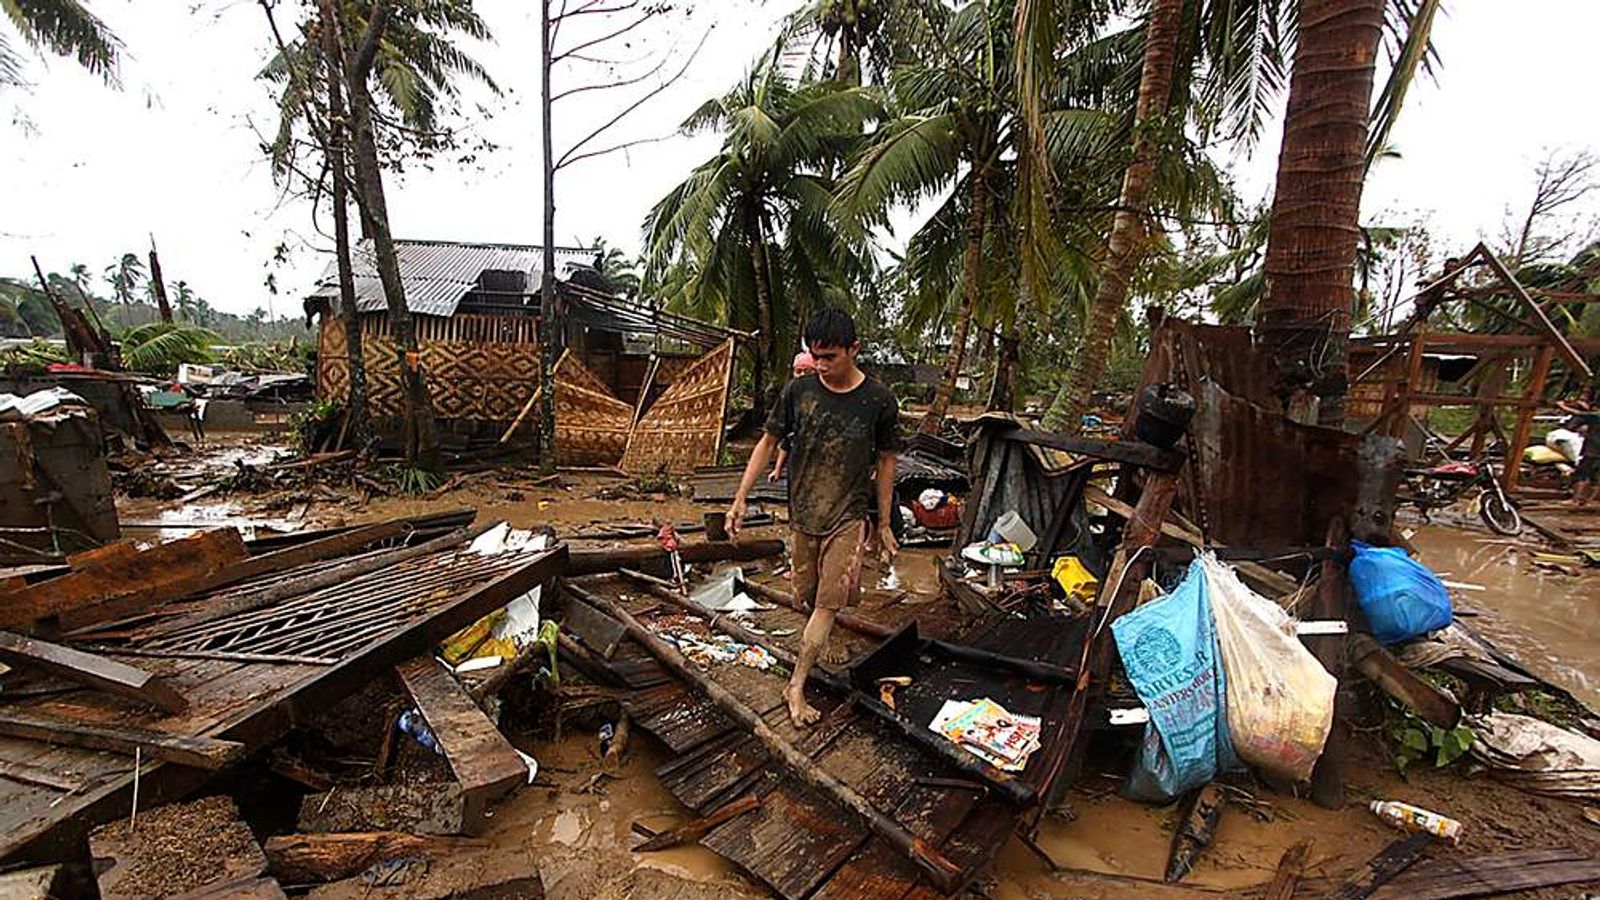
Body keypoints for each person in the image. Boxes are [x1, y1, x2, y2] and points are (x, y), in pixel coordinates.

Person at [727, 309, 899, 727]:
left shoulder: (878, 401)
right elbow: (767, 444)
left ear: (854, 350)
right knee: (806, 598)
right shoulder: (798, 392)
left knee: (827, 602)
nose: (820, 366)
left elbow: (888, 461)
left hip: (848, 515)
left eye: (830, 357)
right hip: (803, 513)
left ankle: (796, 686)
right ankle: (827, 631)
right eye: (815, 357)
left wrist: (887, 521)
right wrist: (740, 498)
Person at [768, 351, 817, 483]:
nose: (802, 376)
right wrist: (777, 469)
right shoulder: (789, 399)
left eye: (807, 372)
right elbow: (785, 441)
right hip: (798, 466)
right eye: (798, 371)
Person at [1572, 413, 1600, 507]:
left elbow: (1580, 413)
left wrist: (1562, 406)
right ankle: (1588, 501)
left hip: (1592, 452)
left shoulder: (1595, 417)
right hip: (1594, 452)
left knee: (1581, 476)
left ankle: (1576, 500)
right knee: (1595, 478)